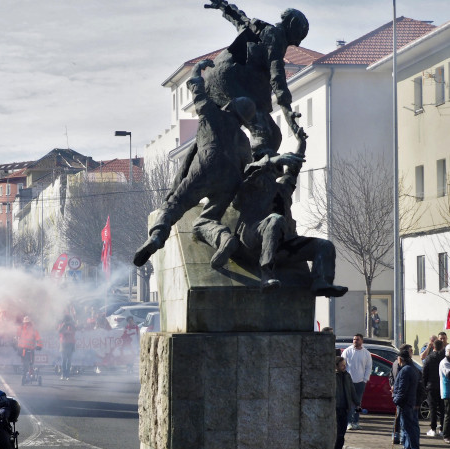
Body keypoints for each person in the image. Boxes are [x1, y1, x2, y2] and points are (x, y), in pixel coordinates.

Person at [133, 59, 255, 268]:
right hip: (231, 181)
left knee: (173, 205)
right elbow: (247, 169)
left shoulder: (213, 115)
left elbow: (198, 91)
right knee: (207, 221)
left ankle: (157, 237)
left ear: (230, 106)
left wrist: (197, 71)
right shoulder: (244, 140)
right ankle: (224, 239)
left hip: (208, 166)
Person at [231, 136, 347, 296]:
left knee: (324, 245)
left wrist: (302, 143)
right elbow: (247, 173)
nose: (274, 166)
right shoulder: (249, 184)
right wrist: (268, 162)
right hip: (253, 241)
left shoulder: (283, 188)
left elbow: (294, 168)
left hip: (283, 244)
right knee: (275, 220)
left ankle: (321, 281)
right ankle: (266, 274)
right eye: (271, 161)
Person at [203, 0, 309, 157]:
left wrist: (224, 6)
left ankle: (247, 162)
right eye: (298, 37)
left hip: (214, 78)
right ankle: (256, 173)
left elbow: (241, 20)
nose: (298, 44)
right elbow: (277, 76)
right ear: (292, 26)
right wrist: (287, 110)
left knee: (274, 135)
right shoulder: (277, 37)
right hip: (232, 78)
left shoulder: (261, 28)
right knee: (263, 134)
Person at [393, 350, 421, 449]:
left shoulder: (406, 370)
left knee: (409, 427)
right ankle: (408, 447)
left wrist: (396, 400)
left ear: (400, 359)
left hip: (405, 403)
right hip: (409, 402)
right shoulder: (411, 368)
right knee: (407, 427)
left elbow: (402, 389)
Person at [341, 334, 371, 430]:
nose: (355, 341)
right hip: (349, 382)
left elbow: (368, 367)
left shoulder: (366, 353)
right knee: (349, 403)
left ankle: (356, 422)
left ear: (362, 341)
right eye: (354, 339)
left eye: (357, 339)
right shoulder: (347, 351)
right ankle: (349, 422)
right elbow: (342, 365)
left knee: (358, 403)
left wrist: (365, 379)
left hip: (360, 382)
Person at [334, 356, 360, 449]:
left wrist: (357, 403)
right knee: (336, 432)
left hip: (345, 408)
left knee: (342, 433)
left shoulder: (347, 376)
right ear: (336, 366)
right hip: (335, 408)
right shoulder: (333, 376)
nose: (344, 366)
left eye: (345, 364)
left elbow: (352, 391)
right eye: (342, 365)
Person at [390, 344, 414, 445]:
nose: (412, 353)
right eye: (410, 351)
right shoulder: (402, 365)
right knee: (401, 418)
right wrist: (394, 386)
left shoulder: (396, 363)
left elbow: (391, 376)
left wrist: (392, 386)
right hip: (402, 395)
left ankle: (396, 435)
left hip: (398, 394)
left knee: (399, 417)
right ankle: (399, 437)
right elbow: (394, 376)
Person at [423, 339, 445, 437]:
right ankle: (442, 429)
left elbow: (424, 373)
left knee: (432, 408)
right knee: (442, 408)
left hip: (431, 386)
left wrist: (424, 386)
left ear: (433, 347)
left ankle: (433, 428)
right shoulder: (444, 358)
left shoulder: (429, 358)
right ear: (442, 347)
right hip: (442, 386)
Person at [58, 315, 76, 380]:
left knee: (69, 360)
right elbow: (59, 331)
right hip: (63, 344)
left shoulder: (72, 325)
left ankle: (67, 374)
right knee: (64, 360)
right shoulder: (62, 325)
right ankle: (63, 373)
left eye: (68, 320)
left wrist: (71, 325)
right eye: (66, 320)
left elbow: (75, 330)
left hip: (70, 343)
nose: (67, 322)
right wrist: (63, 326)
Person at [439, 344, 450, 444]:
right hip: (447, 392)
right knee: (448, 414)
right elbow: (448, 374)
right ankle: (446, 435)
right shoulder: (444, 362)